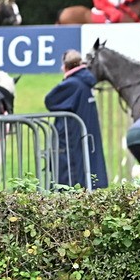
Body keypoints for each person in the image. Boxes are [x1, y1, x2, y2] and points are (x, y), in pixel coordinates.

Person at [44, 50, 109, 189]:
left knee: (72, 181)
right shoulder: (86, 80)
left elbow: (50, 100)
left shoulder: (73, 83)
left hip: (72, 139)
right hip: (85, 137)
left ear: (65, 66)